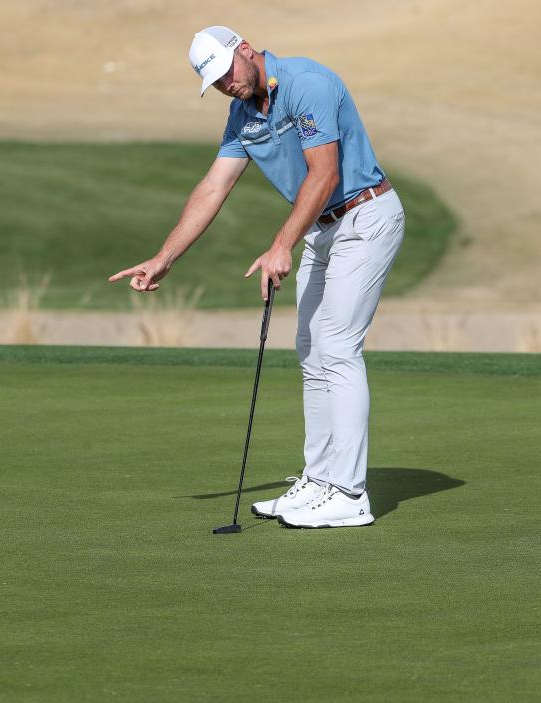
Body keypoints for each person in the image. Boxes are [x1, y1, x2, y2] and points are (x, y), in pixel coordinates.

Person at [108, 26, 404, 529]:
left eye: (227, 74)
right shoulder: (242, 114)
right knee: (311, 351)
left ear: (245, 50)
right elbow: (213, 187)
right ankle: (319, 478)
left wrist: (281, 244)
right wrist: (165, 257)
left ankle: (349, 493)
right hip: (322, 229)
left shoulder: (308, 82)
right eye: (216, 83)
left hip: (365, 216)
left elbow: (324, 173)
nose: (227, 86)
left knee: (336, 345)